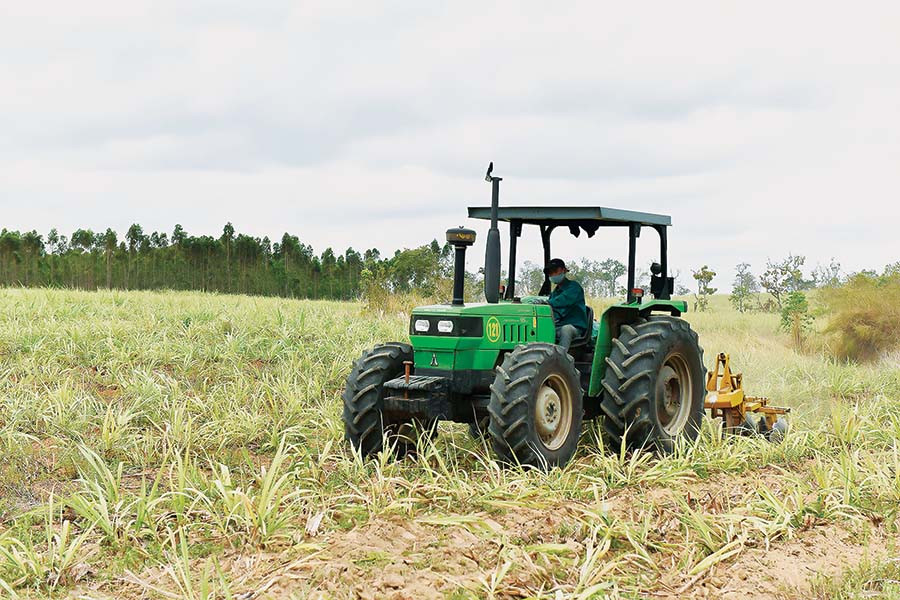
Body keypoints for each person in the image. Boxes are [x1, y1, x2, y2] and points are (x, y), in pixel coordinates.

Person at [544, 258, 589, 350]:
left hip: (574, 326)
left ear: (563, 271)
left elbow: (563, 300)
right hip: (558, 326)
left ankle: (561, 358)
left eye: (554, 271)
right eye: (550, 273)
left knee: (566, 329)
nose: (552, 275)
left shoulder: (574, 287)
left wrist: (546, 302)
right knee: (542, 328)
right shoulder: (555, 292)